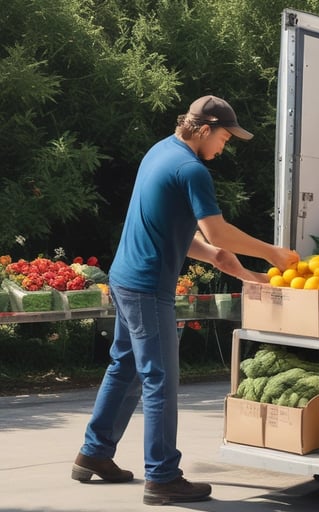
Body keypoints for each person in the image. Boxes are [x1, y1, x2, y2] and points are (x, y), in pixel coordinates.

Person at [71, 95, 299, 505]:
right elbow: (220, 232)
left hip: (124, 277)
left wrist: (229, 265)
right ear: (205, 128)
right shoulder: (192, 169)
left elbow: (183, 234)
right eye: (226, 139)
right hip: (147, 287)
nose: (224, 148)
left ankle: (94, 453)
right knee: (160, 379)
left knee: (125, 366)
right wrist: (272, 253)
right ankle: (162, 477)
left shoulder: (161, 150)